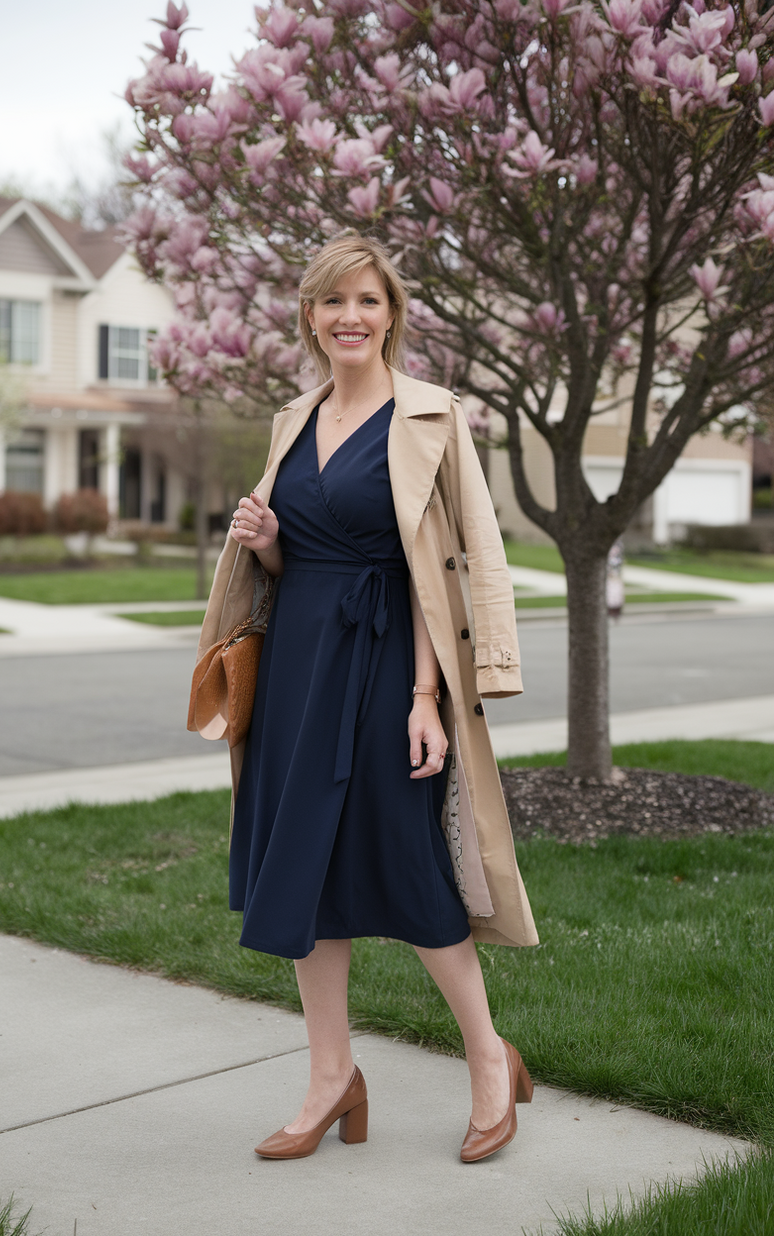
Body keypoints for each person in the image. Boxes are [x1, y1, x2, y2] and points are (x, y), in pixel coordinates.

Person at [191, 232, 538, 1163]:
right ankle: (330, 1078)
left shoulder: (432, 416)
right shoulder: (291, 420)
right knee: (301, 869)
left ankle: (488, 1059)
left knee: (411, 864)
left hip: (391, 663)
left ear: (392, 316)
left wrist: (430, 695)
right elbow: (296, 557)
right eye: (332, 301)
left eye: (369, 301)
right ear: (310, 316)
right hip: (300, 666)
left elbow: (452, 558)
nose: (351, 316)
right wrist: (264, 540)